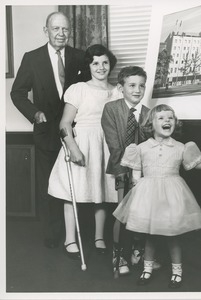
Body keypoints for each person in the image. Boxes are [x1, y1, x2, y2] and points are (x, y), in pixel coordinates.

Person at [113, 104, 201, 287]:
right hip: (149, 194)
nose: (167, 121)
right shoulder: (141, 148)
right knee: (150, 234)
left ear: (175, 122)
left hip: (172, 195)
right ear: (151, 124)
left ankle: (177, 271)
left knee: (173, 236)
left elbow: (198, 164)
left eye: (170, 118)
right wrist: (137, 194)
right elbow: (136, 173)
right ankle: (147, 268)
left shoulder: (181, 147)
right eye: (161, 118)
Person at [10, 12, 87, 249]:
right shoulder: (32, 58)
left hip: (76, 132)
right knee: (50, 184)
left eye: (65, 30)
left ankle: (76, 235)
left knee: (78, 182)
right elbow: (17, 93)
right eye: (56, 29)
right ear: (46, 31)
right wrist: (35, 113)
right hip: (46, 132)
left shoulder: (81, 57)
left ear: (69, 32)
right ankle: (53, 235)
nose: (61, 34)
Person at [48, 44, 122, 259]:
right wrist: (73, 148)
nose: (101, 67)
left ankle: (99, 236)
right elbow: (65, 123)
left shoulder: (117, 91)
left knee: (102, 192)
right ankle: (70, 238)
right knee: (73, 193)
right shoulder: (79, 89)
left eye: (105, 62)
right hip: (81, 143)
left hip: (106, 144)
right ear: (89, 65)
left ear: (111, 64)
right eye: (95, 63)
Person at [101, 66, 154, 276]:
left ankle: (137, 250)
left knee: (142, 212)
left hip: (144, 172)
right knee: (123, 213)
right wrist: (123, 169)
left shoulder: (149, 113)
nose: (137, 90)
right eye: (132, 85)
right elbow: (113, 143)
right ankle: (118, 253)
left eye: (141, 85)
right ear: (121, 87)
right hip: (122, 167)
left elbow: (150, 143)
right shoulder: (111, 109)